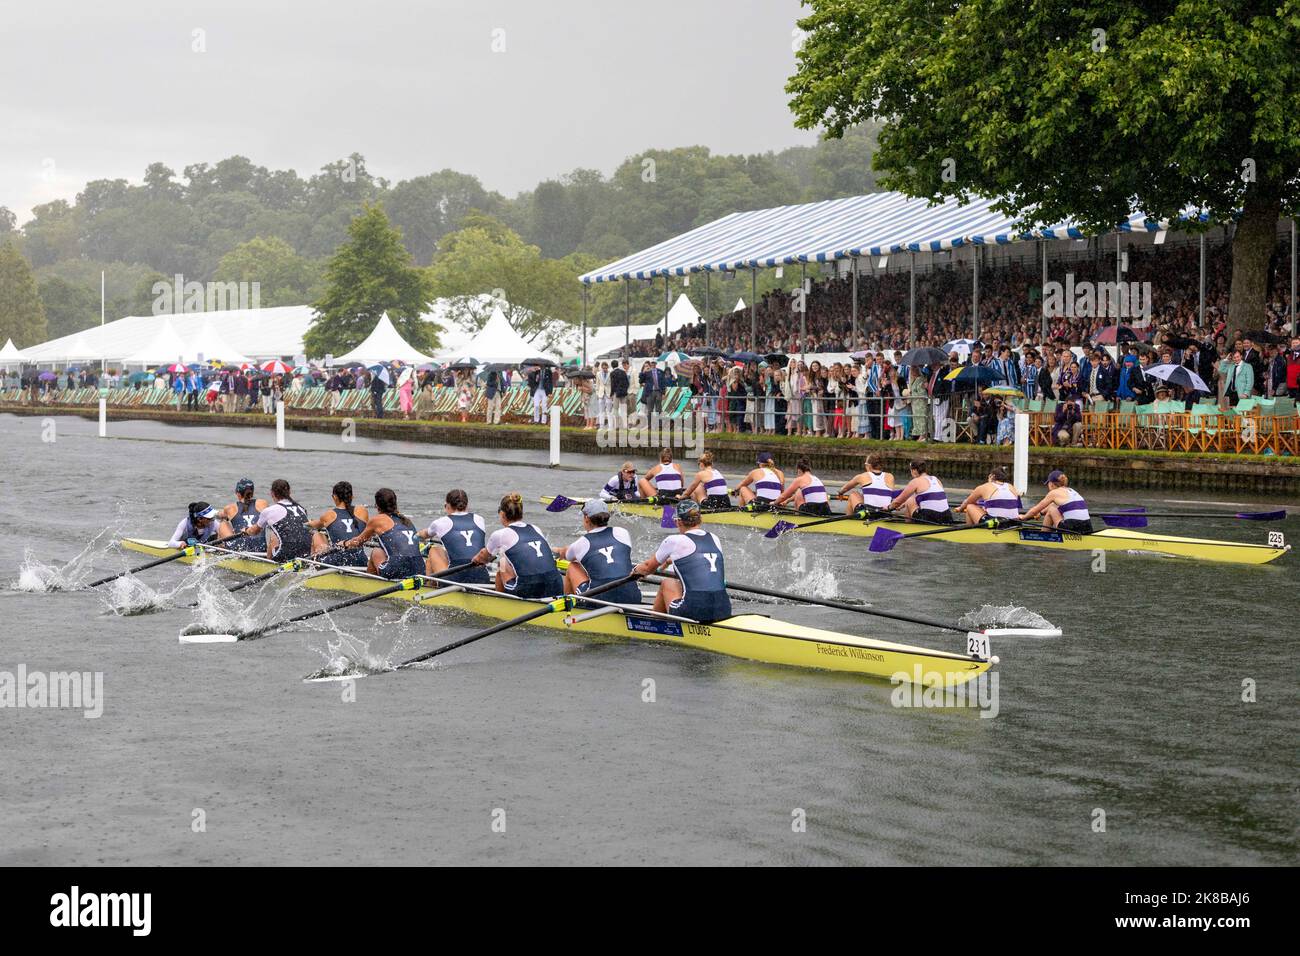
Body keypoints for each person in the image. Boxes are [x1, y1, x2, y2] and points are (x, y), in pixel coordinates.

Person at [631, 499, 731, 623]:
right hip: (724, 609)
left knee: (667, 583)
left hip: (693, 611)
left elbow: (647, 568)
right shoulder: (714, 538)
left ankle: (655, 625)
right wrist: (670, 561)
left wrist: (634, 573)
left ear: (678, 521)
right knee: (687, 583)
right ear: (700, 519)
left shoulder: (674, 540)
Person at [472, 493, 564, 598]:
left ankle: (501, 603)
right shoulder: (536, 528)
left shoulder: (500, 534)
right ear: (521, 514)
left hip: (529, 589)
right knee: (510, 562)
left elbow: (484, 557)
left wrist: (476, 560)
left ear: (502, 514)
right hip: (556, 584)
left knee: (501, 563)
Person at [555, 499, 641, 605]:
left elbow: (566, 555)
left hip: (599, 599)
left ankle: (568, 608)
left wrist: (557, 550)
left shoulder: (581, 543)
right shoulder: (622, 532)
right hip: (633, 597)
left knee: (573, 566)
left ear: (586, 518)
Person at [342, 488, 425, 579]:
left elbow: (358, 542)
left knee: (376, 552)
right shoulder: (406, 520)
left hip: (396, 571)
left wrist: (344, 543)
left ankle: (368, 584)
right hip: (420, 570)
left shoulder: (377, 520)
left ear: (377, 505)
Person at [419, 488, 490, 585]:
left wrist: (414, 538)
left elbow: (424, 534)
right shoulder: (480, 519)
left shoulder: (440, 522)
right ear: (467, 505)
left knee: (434, 550)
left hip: (455, 580)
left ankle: (427, 588)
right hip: (482, 578)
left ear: (447, 506)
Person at [245, 478, 314, 561]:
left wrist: (246, 530)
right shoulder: (301, 508)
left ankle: (269, 563)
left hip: (285, 555)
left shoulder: (269, 511)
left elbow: (254, 531)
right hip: (306, 555)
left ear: (272, 493)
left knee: (272, 534)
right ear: (289, 492)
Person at [308, 481, 370, 567]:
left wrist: (307, 523)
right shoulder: (363, 511)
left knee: (317, 535)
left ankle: (312, 566)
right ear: (352, 496)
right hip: (361, 560)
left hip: (338, 562)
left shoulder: (329, 515)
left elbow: (315, 525)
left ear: (335, 497)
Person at [1021, 469, 1094, 534]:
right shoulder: (1071, 490)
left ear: (1051, 484)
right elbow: (1053, 505)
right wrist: (1040, 513)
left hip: (1073, 528)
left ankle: (1043, 535)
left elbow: (1035, 510)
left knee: (1051, 510)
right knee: (1054, 508)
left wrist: (1023, 517)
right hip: (1087, 527)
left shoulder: (1054, 493)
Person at [888, 459, 953, 523]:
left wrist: (888, 507)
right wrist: (903, 505)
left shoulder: (915, 481)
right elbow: (927, 496)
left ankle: (908, 527)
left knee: (909, 501)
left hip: (931, 517)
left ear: (914, 470)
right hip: (947, 516)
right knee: (911, 499)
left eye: (911, 470)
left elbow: (898, 501)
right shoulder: (936, 479)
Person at [958, 467, 1024, 526]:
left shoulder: (984, 487)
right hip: (1015, 522)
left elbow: (968, 502)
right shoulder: (1011, 487)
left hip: (996, 524)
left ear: (992, 476)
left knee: (970, 506)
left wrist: (960, 509)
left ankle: (970, 533)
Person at [217, 478, 268, 553]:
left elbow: (220, 515)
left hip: (240, 548)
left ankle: (220, 550)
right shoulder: (263, 503)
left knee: (223, 523)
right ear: (252, 492)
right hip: (261, 547)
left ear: (237, 493)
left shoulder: (230, 508)